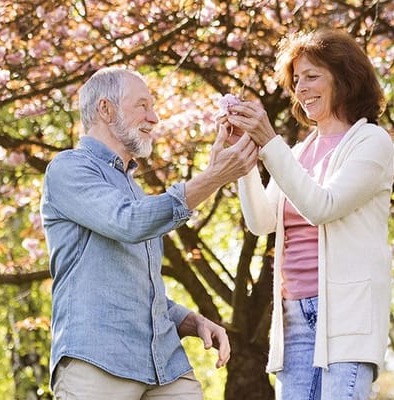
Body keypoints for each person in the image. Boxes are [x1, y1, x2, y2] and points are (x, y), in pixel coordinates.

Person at [41, 67, 258, 399]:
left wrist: (191, 320)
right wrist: (213, 177)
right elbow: (128, 222)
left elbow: (139, 290)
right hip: (99, 359)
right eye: (142, 105)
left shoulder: (136, 192)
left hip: (164, 363)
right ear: (105, 109)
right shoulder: (69, 168)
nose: (154, 117)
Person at [221, 28, 394, 399]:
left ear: (346, 79)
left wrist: (269, 143)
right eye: (297, 79)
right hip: (293, 317)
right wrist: (245, 157)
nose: (301, 88)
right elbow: (262, 221)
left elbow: (322, 207)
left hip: (344, 316)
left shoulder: (371, 143)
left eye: (312, 76)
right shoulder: (300, 153)